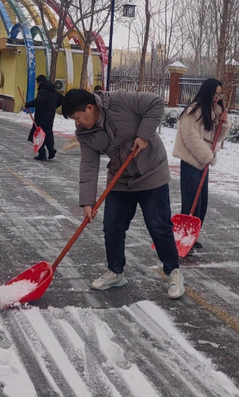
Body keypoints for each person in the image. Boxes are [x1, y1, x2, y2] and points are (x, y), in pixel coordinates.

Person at [62, 88, 184, 300]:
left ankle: (173, 271)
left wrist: (143, 135)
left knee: (158, 225)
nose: (77, 123)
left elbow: (156, 103)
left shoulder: (119, 101)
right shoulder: (85, 133)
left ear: (90, 108)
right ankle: (115, 272)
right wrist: (87, 202)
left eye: (77, 118)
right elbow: (89, 166)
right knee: (112, 226)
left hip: (151, 171)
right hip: (120, 176)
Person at [172, 78, 230, 251]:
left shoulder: (215, 110)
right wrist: (207, 156)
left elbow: (215, 138)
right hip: (191, 159)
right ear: (207, 92)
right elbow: (190, 137)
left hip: (203, 160)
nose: (217, 97)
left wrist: (224, 123)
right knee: (191, 200)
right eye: (215, 93)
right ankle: (184, 236)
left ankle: (193, 235)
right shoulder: (194, 110)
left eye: (220, 94)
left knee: (202, 201)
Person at [24, 75, 62, 160]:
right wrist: (53, 107)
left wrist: (28, 104)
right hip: (50, 116)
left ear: (40, 82)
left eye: (37, 83)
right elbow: (61, 99)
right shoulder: (53, 91)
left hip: (41, 116)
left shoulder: (42, 91)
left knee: (37, 133)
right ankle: (51, 149)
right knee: (48, 133)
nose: (37, 85)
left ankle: (42, 154)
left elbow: (39, 101)